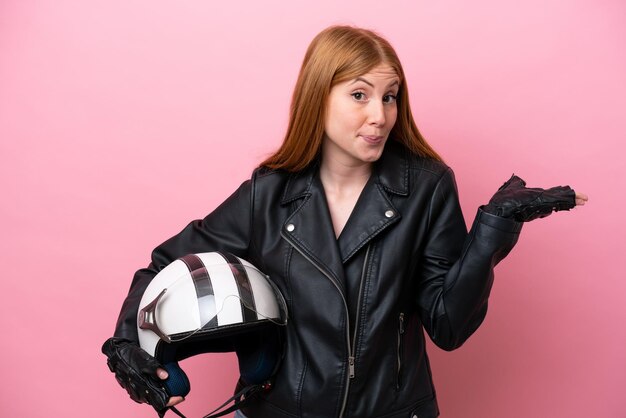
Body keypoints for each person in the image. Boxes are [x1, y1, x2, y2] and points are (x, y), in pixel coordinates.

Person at [102, 25, 588, 418]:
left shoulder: (428, 187)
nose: (380, 115)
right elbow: (165, 266)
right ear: (319, 97)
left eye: (390, 96)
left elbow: (449, 326)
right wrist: (129, 345)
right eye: (360, 95)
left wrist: (490, 235)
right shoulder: (268, 192)